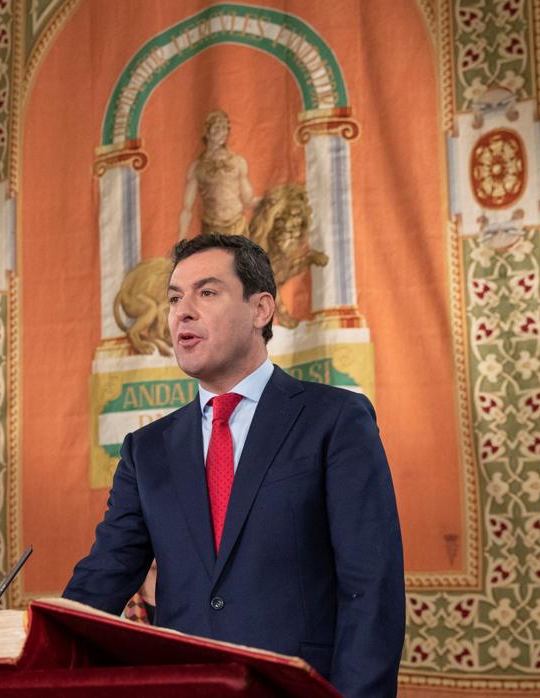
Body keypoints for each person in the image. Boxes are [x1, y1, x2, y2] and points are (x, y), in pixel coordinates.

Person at [63, 234, 405, 697]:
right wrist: (26, 650)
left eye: (206, 293)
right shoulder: (146, 450)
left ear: (261, 309)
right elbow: (102, 579)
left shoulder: (335, 420)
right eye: (173, 298)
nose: (182, 311)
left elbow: (371, 589)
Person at [177, 110, 259, 240]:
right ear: (207, 132)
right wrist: (180, 240)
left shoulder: (238, 162)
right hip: (212, 228)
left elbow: (248, 200)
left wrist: (270, 200)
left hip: (237, 225)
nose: (222, 132)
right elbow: (187, 209)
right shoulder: (197, 167)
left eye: (225, 128)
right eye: (217, 127)